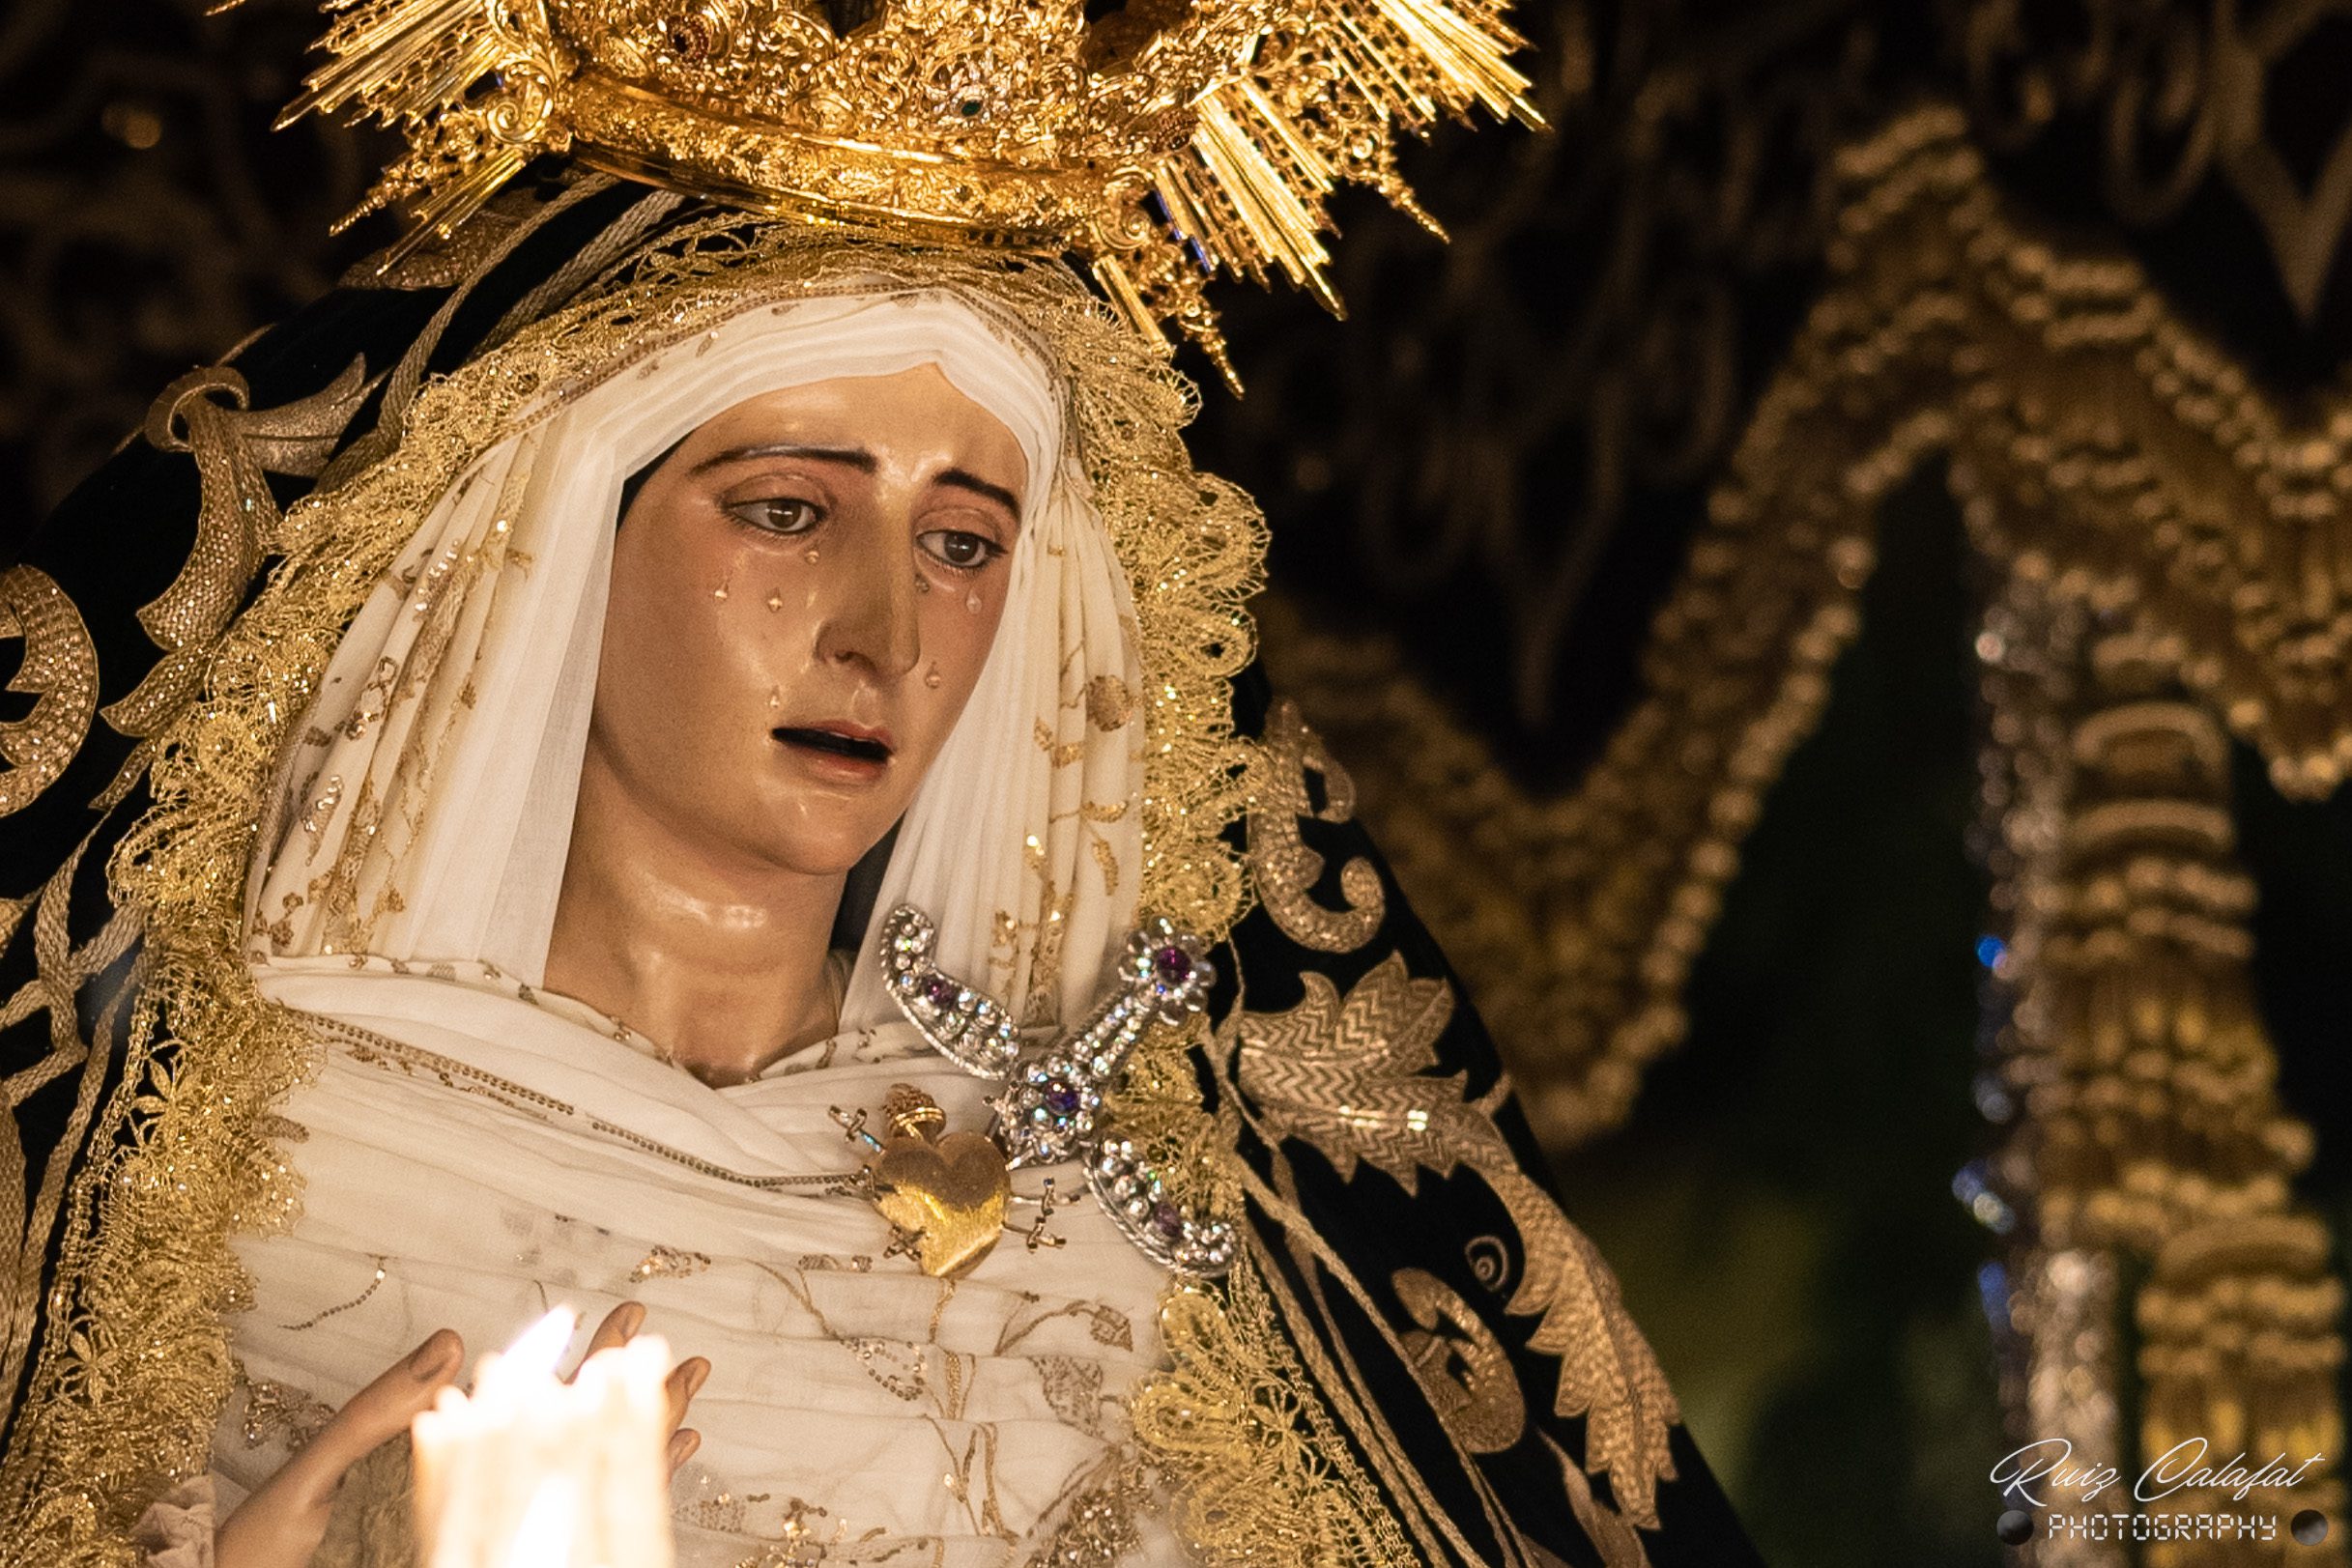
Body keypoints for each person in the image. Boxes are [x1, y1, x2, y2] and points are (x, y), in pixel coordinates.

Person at [0, 9, 1765, 1567]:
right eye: (784, 510)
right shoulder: (217, 1143)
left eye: (961, 541)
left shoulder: (1119, 1214)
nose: (885, 635)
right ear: (548, 544)